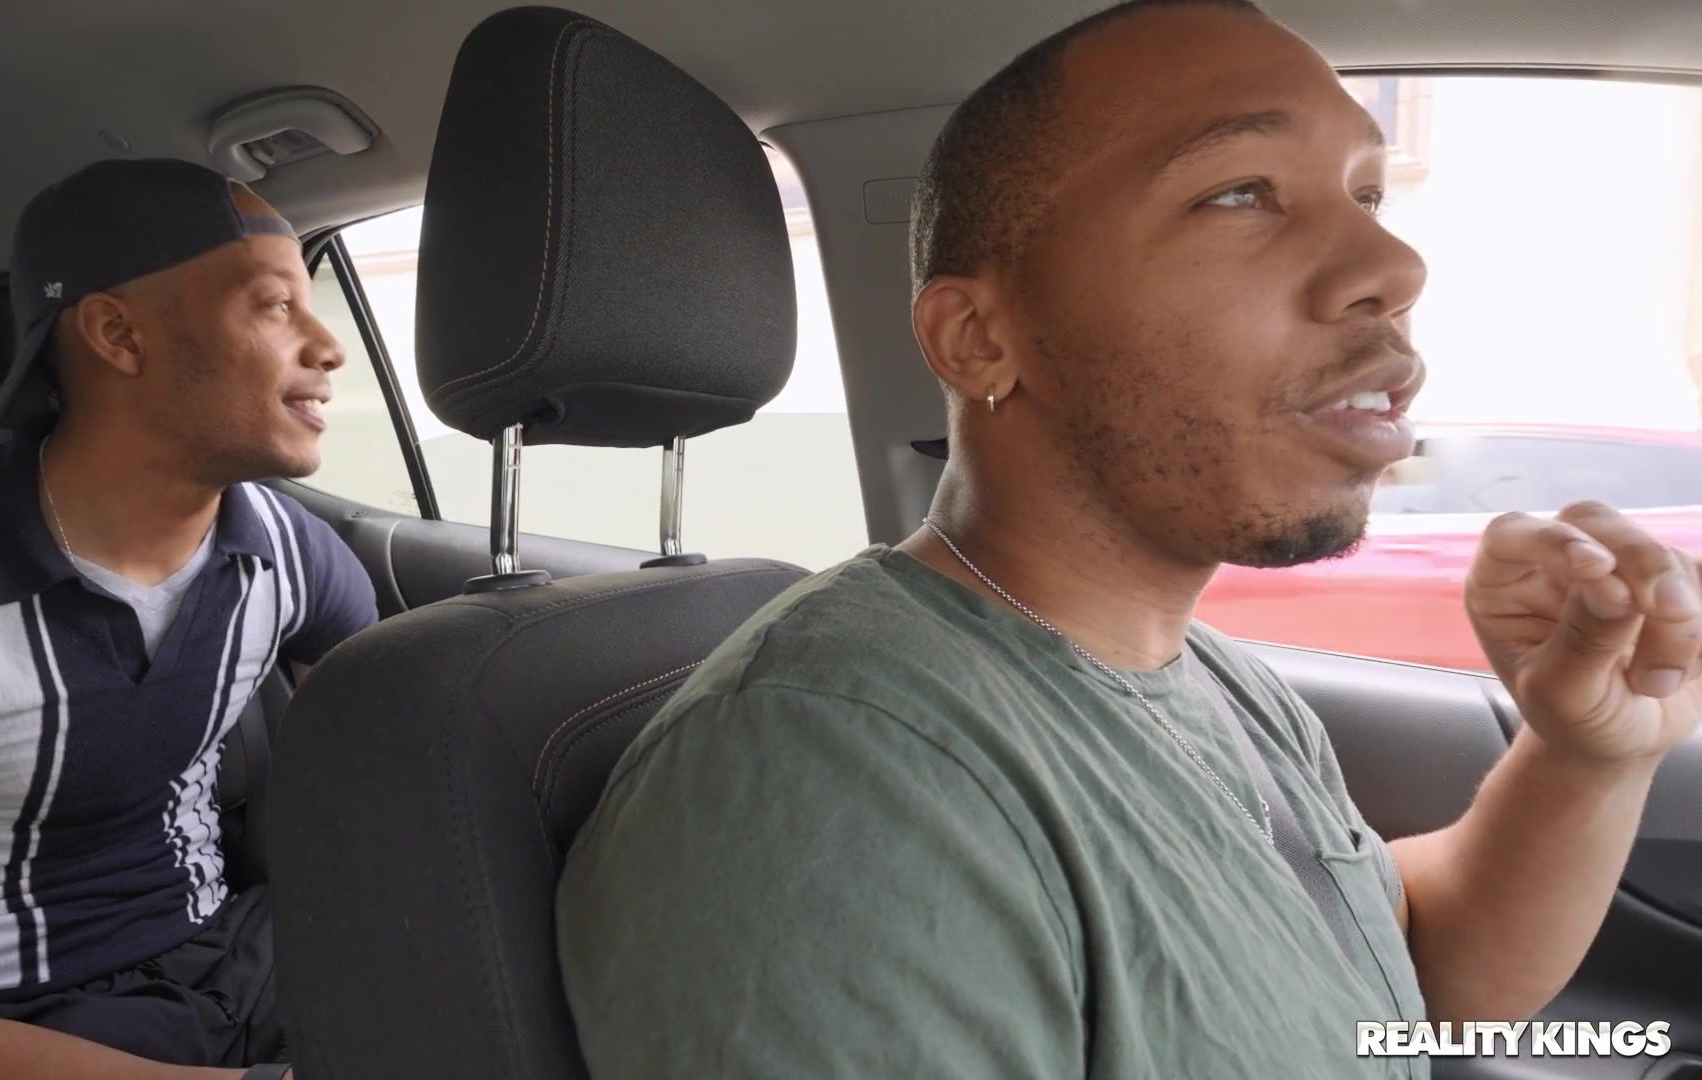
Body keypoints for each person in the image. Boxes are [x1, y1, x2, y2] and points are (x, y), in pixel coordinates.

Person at [556, 2, 1702, 1077]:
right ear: (979, 339)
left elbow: (1395, 972)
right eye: (1241, 193)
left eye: (1366, 192)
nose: (1394, 270)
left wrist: (1587, 754)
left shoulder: (1213, 680)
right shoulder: (831, 777)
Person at [0, 158, 376, 1078]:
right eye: (274, 305)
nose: (328, 346)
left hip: (240, 955)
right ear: (118, 334)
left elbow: (401, 793)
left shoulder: (291, 550)